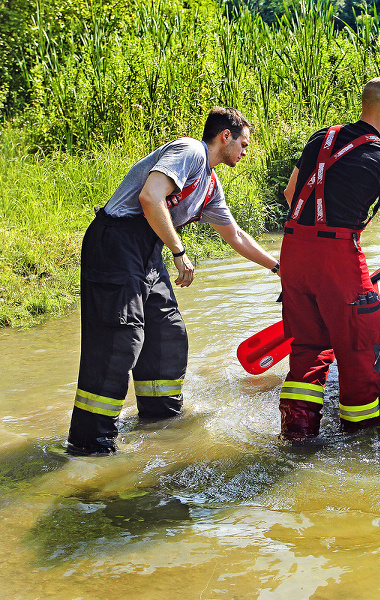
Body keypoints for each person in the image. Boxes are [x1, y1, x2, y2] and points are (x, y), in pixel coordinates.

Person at [67, 107, 281, 455]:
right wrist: (179, 252)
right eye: (243, 144)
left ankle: (159, 421)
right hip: (115, 241)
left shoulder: (210, 184)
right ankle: (91, 442)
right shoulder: (191, 151)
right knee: (121, 337)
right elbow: (150, 197)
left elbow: (236, 235)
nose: (245, 152)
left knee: (167, 332)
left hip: (145, 250)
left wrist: (278, 268)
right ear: (225, 136)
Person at [277, 77, 380, 444]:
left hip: (292, 251)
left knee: (307, 345)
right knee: (360, 344)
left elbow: (292, 193)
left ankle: (298, 434)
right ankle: (359, 440)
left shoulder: (319, 138)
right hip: (336, 257)